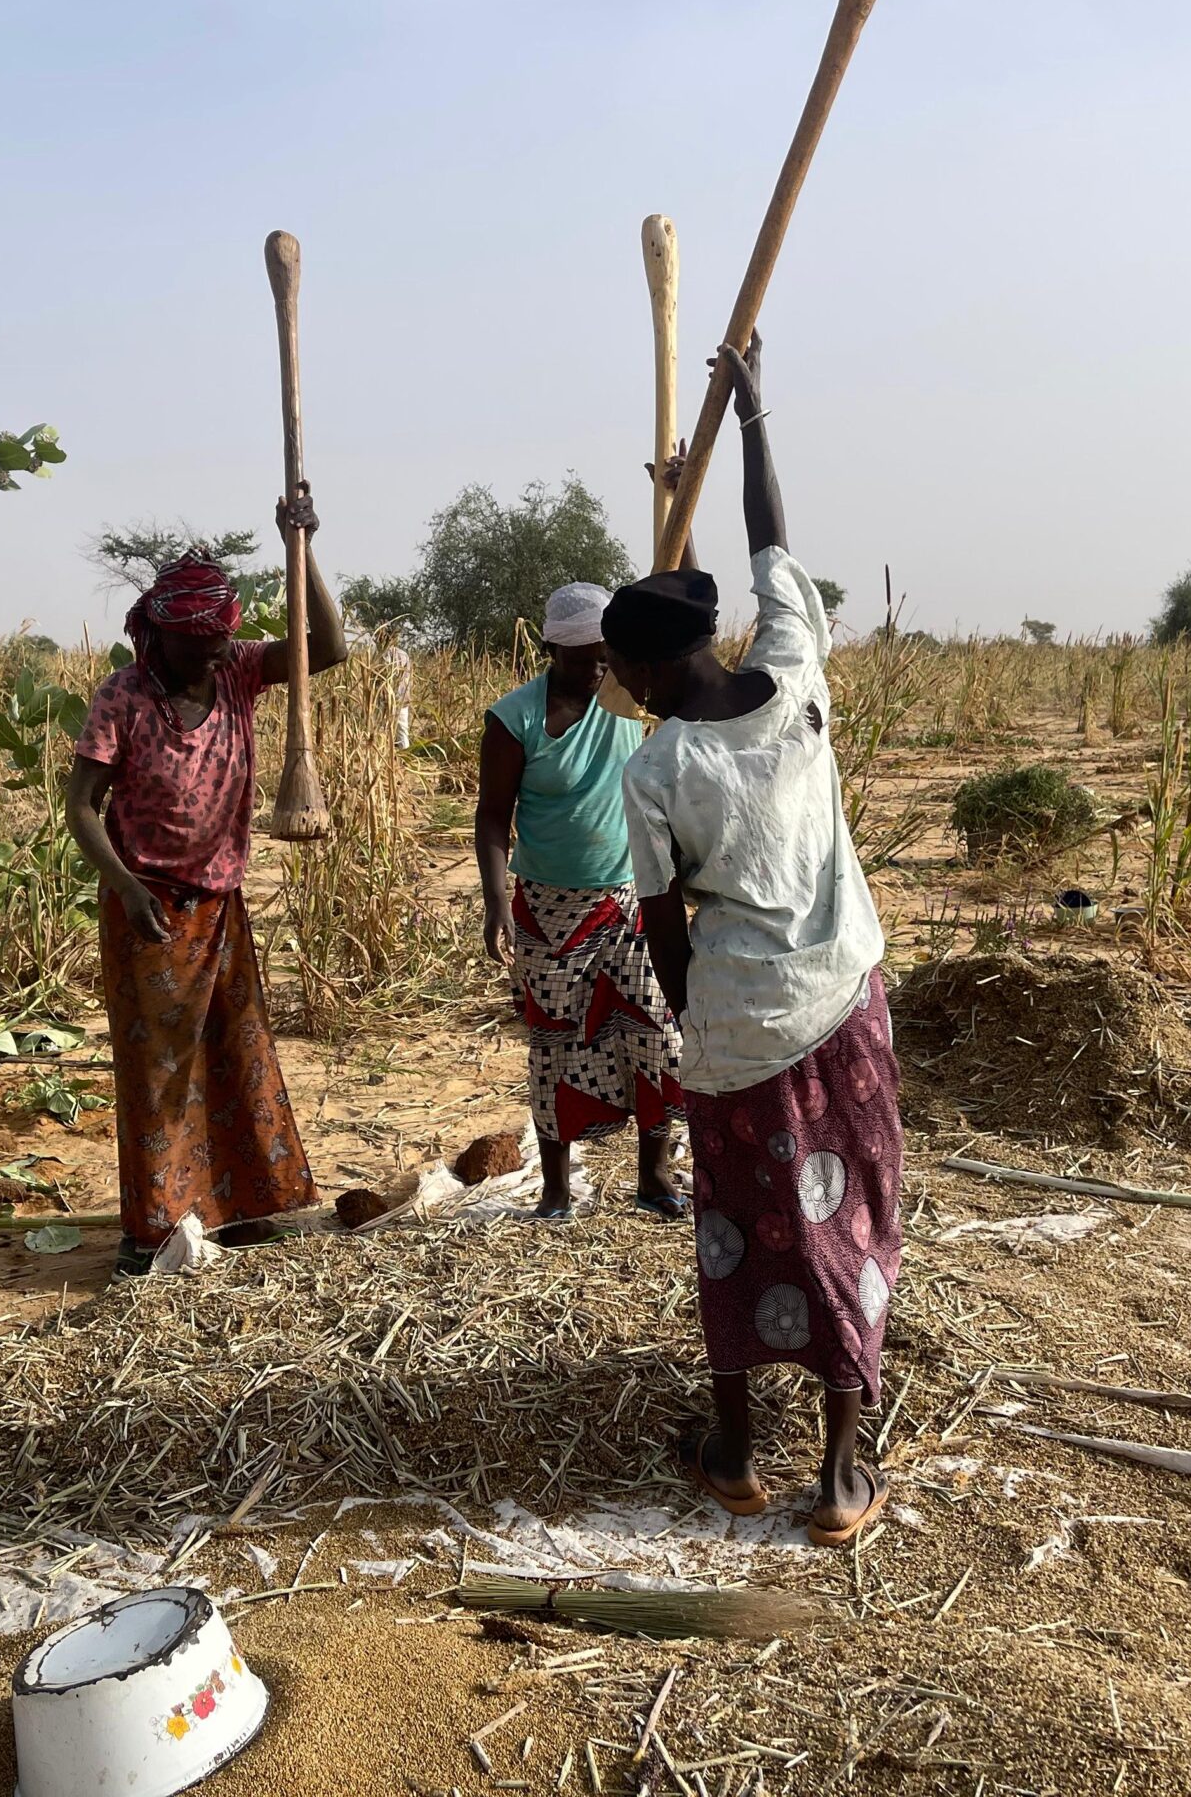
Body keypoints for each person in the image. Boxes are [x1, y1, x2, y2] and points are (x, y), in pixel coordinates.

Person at [601, 332, 898, 1547]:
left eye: (621, 672)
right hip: (845, 1002)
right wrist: (757, 420)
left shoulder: (660, 765)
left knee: (736, 1226)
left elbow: (664, 927)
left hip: (737, 1031)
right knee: (846, 1215)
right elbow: (776, 548)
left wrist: (691, 1021)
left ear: (649, 667)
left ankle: (733, 1450)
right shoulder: (796, 667)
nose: (617, 689)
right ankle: (836, 1473)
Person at [66, 489, 350, 1276]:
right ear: (161, 639)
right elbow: (81, 807)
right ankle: (153, 1225)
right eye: (201, 647)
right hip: (149, 906)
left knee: (237, 1051)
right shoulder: (123, 696)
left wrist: (302, 548)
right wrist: (124, 887)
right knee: (160, 1072)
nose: (217, 655)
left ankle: (246, 1207)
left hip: (220, 905)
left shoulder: (239, 673)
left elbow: (328, 647)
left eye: (223, 642)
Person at [476, 583, 685, 1219]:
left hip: (627, 901)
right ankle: (557, 1190)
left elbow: (684, 634)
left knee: (655, 1034)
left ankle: (653, 1178)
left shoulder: (628, 703)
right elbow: (491, 819)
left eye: (606, 656)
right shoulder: (515, 720)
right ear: (551, 650)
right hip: (546, 908)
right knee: (555, 1044)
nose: (596, 669)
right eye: (582, 657)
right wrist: (493, 902)